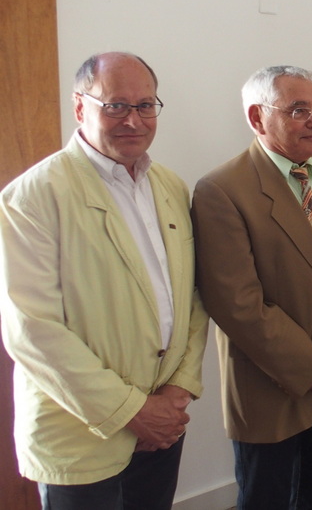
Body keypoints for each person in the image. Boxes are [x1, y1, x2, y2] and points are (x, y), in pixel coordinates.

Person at [0, 52, 209, 510]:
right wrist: (133, 411)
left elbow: (193, 296)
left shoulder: (170, 186)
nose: (133, 120)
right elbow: (32, 330)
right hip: (79, 431)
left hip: (163, 422)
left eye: (145, 105)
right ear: (80, 106)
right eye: (115, 105)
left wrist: (177, 391)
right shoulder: (33, 196)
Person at [191, 66, 312, 510]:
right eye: (298, 110)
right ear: (257, 117)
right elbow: (236, 303)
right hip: (270, 387)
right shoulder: (222, 189)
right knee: (267, 499)